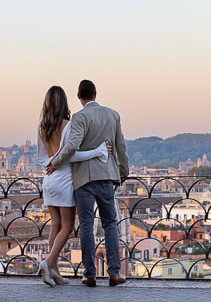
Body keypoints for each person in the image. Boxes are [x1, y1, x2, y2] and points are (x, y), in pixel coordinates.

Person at [45, 79, 129, 287]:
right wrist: (123, 172)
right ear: (96, 93)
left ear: (79, 97)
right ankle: (114, 273)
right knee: (110, 224)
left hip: (83, 179)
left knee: (86, 226)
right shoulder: (113, 115)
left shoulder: (79, 117)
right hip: (107, 176)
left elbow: (72, 146)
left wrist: (54, 162)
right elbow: (121, 147)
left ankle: (89, 274)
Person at [35, 85, 109, 286]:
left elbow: (41, 157)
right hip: (66, 178)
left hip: (49, 179)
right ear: (64, 102)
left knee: (55, 225)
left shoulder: (42, 126)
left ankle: (54, 271)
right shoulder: (68, 124)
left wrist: (51, 163)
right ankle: (48, 263)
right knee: (67, 227)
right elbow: (72, 154)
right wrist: (97, 151)